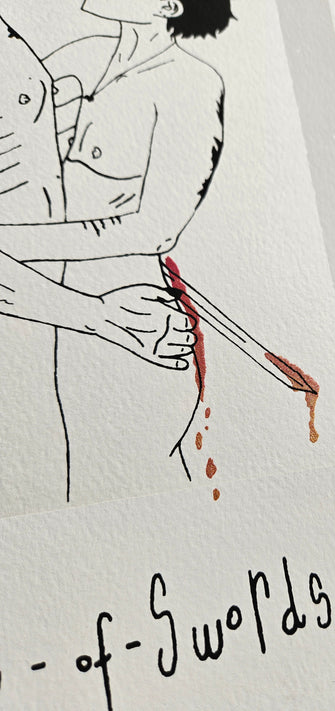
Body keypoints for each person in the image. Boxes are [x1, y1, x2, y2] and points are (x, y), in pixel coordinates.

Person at [0, 0, 234, 510]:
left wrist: (13, 241)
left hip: (136, 319)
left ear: (170, 6)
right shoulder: (80, 56)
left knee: (130, 490)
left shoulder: (192, 83)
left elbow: (157, 228)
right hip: (51, 313)